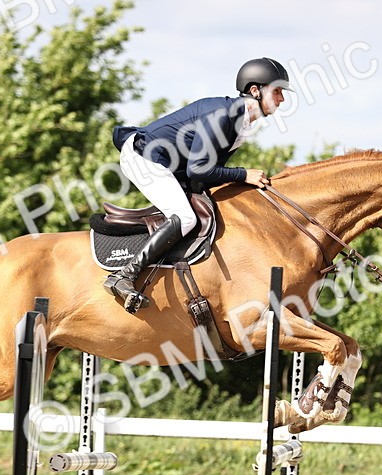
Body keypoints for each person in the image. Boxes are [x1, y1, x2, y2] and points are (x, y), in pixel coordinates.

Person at [103, 57, 293, 311]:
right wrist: (243, 174)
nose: (282, 99)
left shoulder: (243, 124)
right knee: (186, 217)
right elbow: (199, 168)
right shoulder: (225, 114)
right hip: (144, 157)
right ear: (255, 90)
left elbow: (202, 175)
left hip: (172, 164)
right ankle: (124, 275)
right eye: (277, 91)